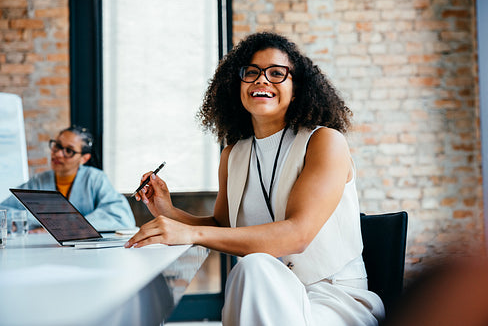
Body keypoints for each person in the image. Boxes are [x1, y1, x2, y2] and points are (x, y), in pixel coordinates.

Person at [126, 32, 385, 325]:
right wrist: (168, 212)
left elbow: (297, 235)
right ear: (237, 86)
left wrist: (189, 233)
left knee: (253, 267)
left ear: (296, 87)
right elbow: (223, 228)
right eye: (252, 73)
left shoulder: (325, 142)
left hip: (332, 298)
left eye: (277, 73)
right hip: (264, 293)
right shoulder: (233, 155)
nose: (262, 80)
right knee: (253, 269)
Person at [0, 125, 135, 232]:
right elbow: (3, 214)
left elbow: (121, 217)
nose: (58, 154)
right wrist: (49, 225)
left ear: (84, 158)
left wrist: (63, 227)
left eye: (69, 151)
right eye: (57, 146)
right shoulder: (38, 181)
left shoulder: (95, 179)